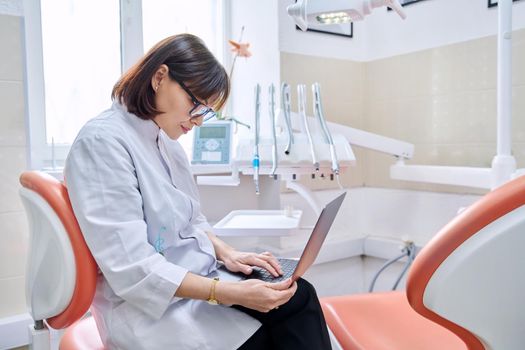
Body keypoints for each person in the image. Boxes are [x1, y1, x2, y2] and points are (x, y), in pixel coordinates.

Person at [64, 34, 332, 350]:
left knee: (299, 296)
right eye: (196, 104)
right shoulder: (102, 144)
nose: (198, 121)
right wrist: (228, 292)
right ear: (160, 77)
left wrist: (228, 253)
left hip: (196, 281)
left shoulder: (167, 144)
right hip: (151, 311)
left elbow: (193, 222)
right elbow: (134, 270)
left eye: (206, 111)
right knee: (270, 334)